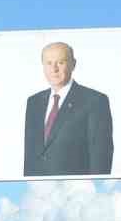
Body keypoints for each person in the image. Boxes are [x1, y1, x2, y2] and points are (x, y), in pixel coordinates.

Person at [23, 41, 113, 176]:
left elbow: (101, 157)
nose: (54, 69)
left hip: (76, 187)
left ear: (73, 64)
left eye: (60, 62)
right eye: (49, 63)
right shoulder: (34, 102)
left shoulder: (95, 101)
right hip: (37, 187)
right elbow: (30, 156)